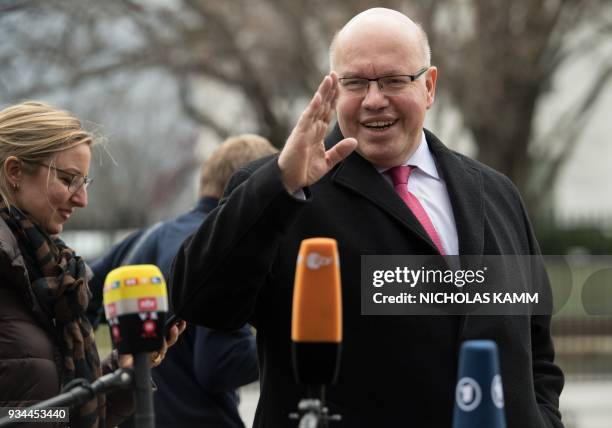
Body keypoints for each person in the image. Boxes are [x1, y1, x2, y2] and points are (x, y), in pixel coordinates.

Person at [170, 8, 564, 428]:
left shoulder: (496, 194)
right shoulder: (283, 192)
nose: (375, 99)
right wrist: (280, 184)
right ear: (333, 89)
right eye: (356, 82)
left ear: (429, 86)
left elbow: (535, 348)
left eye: (395, 80)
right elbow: (201, 300)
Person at [0, 101, 182, 428]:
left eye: (85, 182)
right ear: (15, 171)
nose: (82, 199)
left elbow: (60, 413)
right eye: (69, 179)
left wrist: (125, 369)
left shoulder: (51, 268)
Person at [89, 134, 277, 427]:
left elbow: (78, 307)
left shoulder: (142, 239)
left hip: (130, 417)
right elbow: (220, 363)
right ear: (252, 185)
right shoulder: (225, 250)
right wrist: (289, 344)